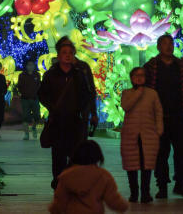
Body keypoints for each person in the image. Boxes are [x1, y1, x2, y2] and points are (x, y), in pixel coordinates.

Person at [40, 36, 99, 189]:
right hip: (58, 121)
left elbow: (89, 93)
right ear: (58, 54)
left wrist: (89, 112)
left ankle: (73, 184)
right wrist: (53, 108)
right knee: (58, 155)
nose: (67, 55)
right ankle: (59, 183)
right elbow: (42, 94)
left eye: (70, 52)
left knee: (77, 154)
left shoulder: (80, 72)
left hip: (77, 120)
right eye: (64, 52)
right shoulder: (52, 74)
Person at [143, 33, 183, 199]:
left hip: (179, 115)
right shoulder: (151, 66)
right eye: (164, 43)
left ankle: (181, 184)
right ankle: (162, 186)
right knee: (161, 153)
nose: (168, 46)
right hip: (158, 118)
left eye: (171, 43)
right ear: (158, 47)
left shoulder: (181, 66)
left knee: (182, 153)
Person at [120, 66, 162, 204]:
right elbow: (126, 106)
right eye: (136, 75)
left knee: (146, 165)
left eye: (142, 75)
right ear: (131, 78)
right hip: (130, 134)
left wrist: (159, 129)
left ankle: (145, 193)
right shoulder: (127, 93)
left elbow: (158, 112)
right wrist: (138, 93)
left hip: (148, 134)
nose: (139, 78)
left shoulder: (152, 94)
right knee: (131, 164)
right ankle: (134, 193)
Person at [50, 139, 128, 214]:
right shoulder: (103, 176)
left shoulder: (66, 176)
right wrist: (124, 206)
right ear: (98, 157)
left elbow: (59, 200)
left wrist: (54, 210)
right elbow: (113, 199)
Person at [18, 65, 42, 141]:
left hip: (35, 98)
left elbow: (39, 85)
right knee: (25, 116)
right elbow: (19, 86)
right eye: (29, 65)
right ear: (26, 66)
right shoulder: (22, 75)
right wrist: (23, 93)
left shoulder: (37, 75)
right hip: (25, 99)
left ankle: (34, 127)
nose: (30, 66)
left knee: (37, 116)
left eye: (32, 65)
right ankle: (26, 133)